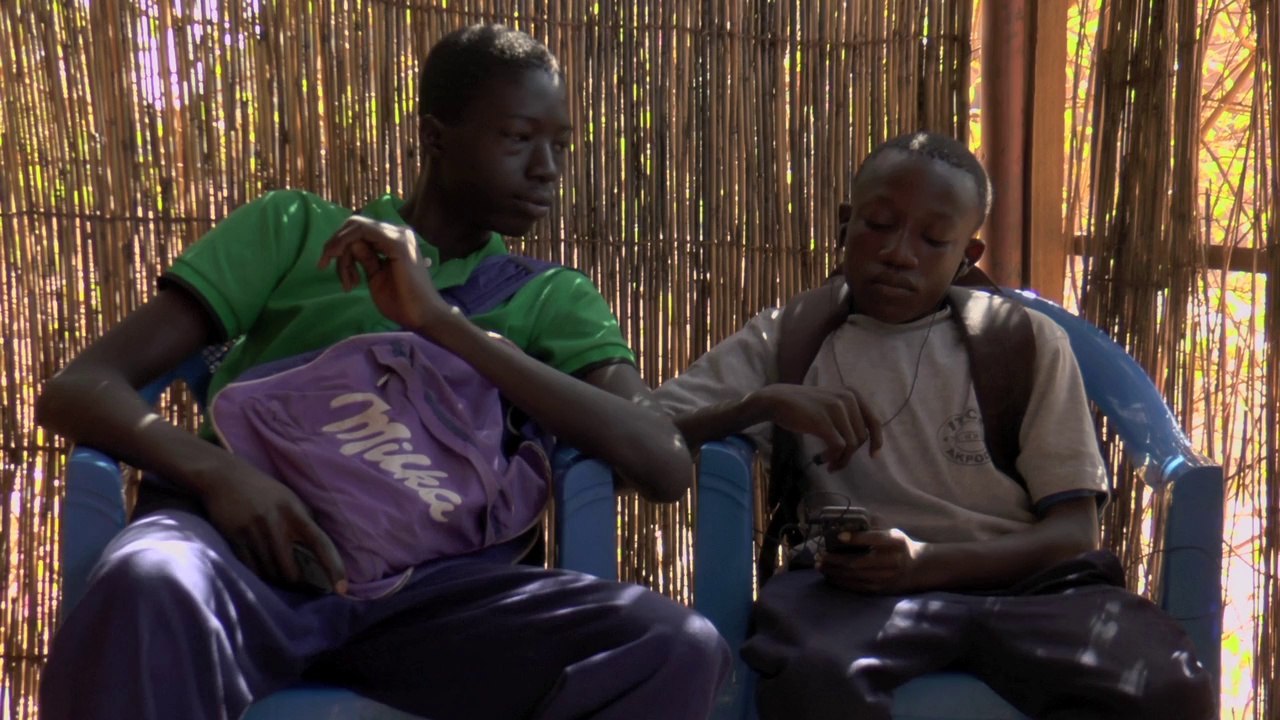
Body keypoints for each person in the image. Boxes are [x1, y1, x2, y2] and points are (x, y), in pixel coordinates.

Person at [37, 24, 728, 720]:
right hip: (244, 555)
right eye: (519, 138)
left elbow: (663, 464)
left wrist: (440, 323)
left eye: (560, 146)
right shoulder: (294, 230)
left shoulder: (552, 299)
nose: (547, 167)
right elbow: (80, 387)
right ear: (435, 137)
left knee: (674, 647)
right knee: (147, 579)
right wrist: (220, 474)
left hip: (435, 600)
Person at [653, 131, 1215, 719]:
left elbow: (1075, 533)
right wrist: (760, 405)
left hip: (1029, 592)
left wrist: (925, 563)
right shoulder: (789, 339)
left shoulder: (1023, 342)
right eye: (878, 224)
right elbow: (651, 427)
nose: (899, 252)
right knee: (809, 677)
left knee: (1168, 686)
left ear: (966, 256)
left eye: (933, 238)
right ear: (845, 224)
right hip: (851, 595)